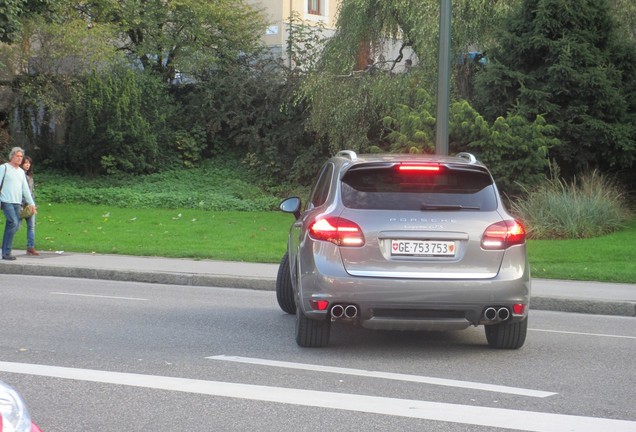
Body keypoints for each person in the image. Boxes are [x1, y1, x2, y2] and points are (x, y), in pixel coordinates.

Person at [0, 147, 36, 260]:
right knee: (14, 223)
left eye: (21, 156)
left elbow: (25, 189)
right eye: (18, 156)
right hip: (6, 201)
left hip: (17, 203)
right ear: (12, 156)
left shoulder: (21, 172)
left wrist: (31, 204)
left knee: (11, 226)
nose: (20, 158)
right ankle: (7, 252)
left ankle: (5, 251)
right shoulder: (4, 168)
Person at [19, 155, 39, 255]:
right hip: (20, 204)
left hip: (30, 205)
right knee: (15, 226)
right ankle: (6, 245)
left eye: (29, 163)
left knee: (31, 226)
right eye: (25, 163)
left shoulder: (29, 177)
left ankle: (30, 247)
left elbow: (31, 192)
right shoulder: (18, 175)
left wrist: (33, 204)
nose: (27, 165)